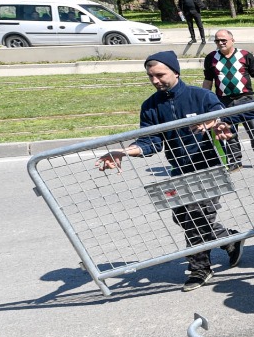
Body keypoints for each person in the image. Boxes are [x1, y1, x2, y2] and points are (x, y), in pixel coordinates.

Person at [98, 51, 242, 291]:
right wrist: (124, 152)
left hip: (210, 167)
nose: (155, 81)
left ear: (175, 71)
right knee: (182, 217)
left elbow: (222, 119)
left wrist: (217, 125)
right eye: (150, 77)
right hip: (179, 170)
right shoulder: (151, 106)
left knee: (197, 217)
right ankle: (229, 238)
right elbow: (150, 142)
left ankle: (199, 270)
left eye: (160, 75)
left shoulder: (202, 96)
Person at [203, 30, 254, 170]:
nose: (220, 43)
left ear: (232, 40)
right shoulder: (211, 58)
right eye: (217, 41)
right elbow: (208, 81)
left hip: (246, 99)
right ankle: (235, 160)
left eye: (223, 40)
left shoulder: (245, 55)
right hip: (224, 101)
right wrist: (206, 101)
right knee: (229, 132)